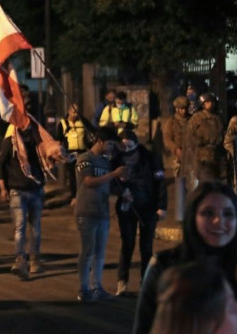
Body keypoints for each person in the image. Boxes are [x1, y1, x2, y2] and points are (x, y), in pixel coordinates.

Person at [131, 182, 237, 334]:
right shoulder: (165, 265)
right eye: (208, 213)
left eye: (228, 214)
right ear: (192, 217)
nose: (218, 221)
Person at [112, 130, 167, 296]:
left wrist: (162, 206)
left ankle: (146, 283)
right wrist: (121, 192)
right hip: (127, 208)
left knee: (146, 247)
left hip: (148, 207)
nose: (127, 149)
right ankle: (122, 282)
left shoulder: (150, 159)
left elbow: (161, 182)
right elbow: (111, 181)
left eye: (130, 145)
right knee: (127, 244)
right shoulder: (116, 160)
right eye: (123, 145)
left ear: (136, 144)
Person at [74, 126, 126, 302]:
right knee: (87, 252)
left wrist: (123, 191)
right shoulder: (85, 159)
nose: (111, 147)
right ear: (100, 142)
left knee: (100, 252)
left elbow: (109, 185)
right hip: (86, 212)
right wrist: (113, 174)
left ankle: (97, 286)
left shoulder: (105, 161)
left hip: (102, 212)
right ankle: (83, 288)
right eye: (110, 144)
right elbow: (88, 182)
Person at [0, 123, 46, 279]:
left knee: (35, 227)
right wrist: (3, 187)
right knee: (20, 227)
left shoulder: (38, 142)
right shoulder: (10, 143)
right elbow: (1, 165)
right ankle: (20, 260)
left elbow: (45, 160)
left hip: (36, 189)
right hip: (17, 190)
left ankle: (35, 261)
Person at [184, 93, 224, 189]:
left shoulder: (217, 119)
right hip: (201, 155)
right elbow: (189, 137)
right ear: (202, 104)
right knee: (203, 183)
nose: (210, 104)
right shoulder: (196, 118)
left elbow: (221, 136)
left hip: (216, 155)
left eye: (211, 101)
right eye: (207, 102)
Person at [56, 104, 93, 202]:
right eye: (74, 112)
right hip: (70, 153)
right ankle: (74, 196)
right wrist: (61, 154)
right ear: (69, 111)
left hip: (83, 152)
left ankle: (84, 195)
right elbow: (58, 140)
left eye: (77, 112)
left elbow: (93, 130)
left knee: (85, 174)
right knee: (72, 175)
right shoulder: (63, 123)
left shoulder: (83, 121)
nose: (76, 114)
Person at [162, 96, 189, 175]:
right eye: (182, 109)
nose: (184, 111)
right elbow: (167, 139)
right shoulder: (171, 122)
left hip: (191, 153)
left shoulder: (192, 120)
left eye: (185, 108)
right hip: (178, 155)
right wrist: (176, 149)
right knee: (179, 178)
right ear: (177, 109)